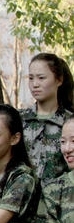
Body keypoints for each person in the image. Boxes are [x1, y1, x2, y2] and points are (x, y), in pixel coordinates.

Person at [21, 52, 74, 182]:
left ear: (59, 80)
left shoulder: (70, 122)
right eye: (31, 78)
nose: (35, 84)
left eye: (41, 78)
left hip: (61, 199)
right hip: (20, 198)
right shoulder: (17, 120)